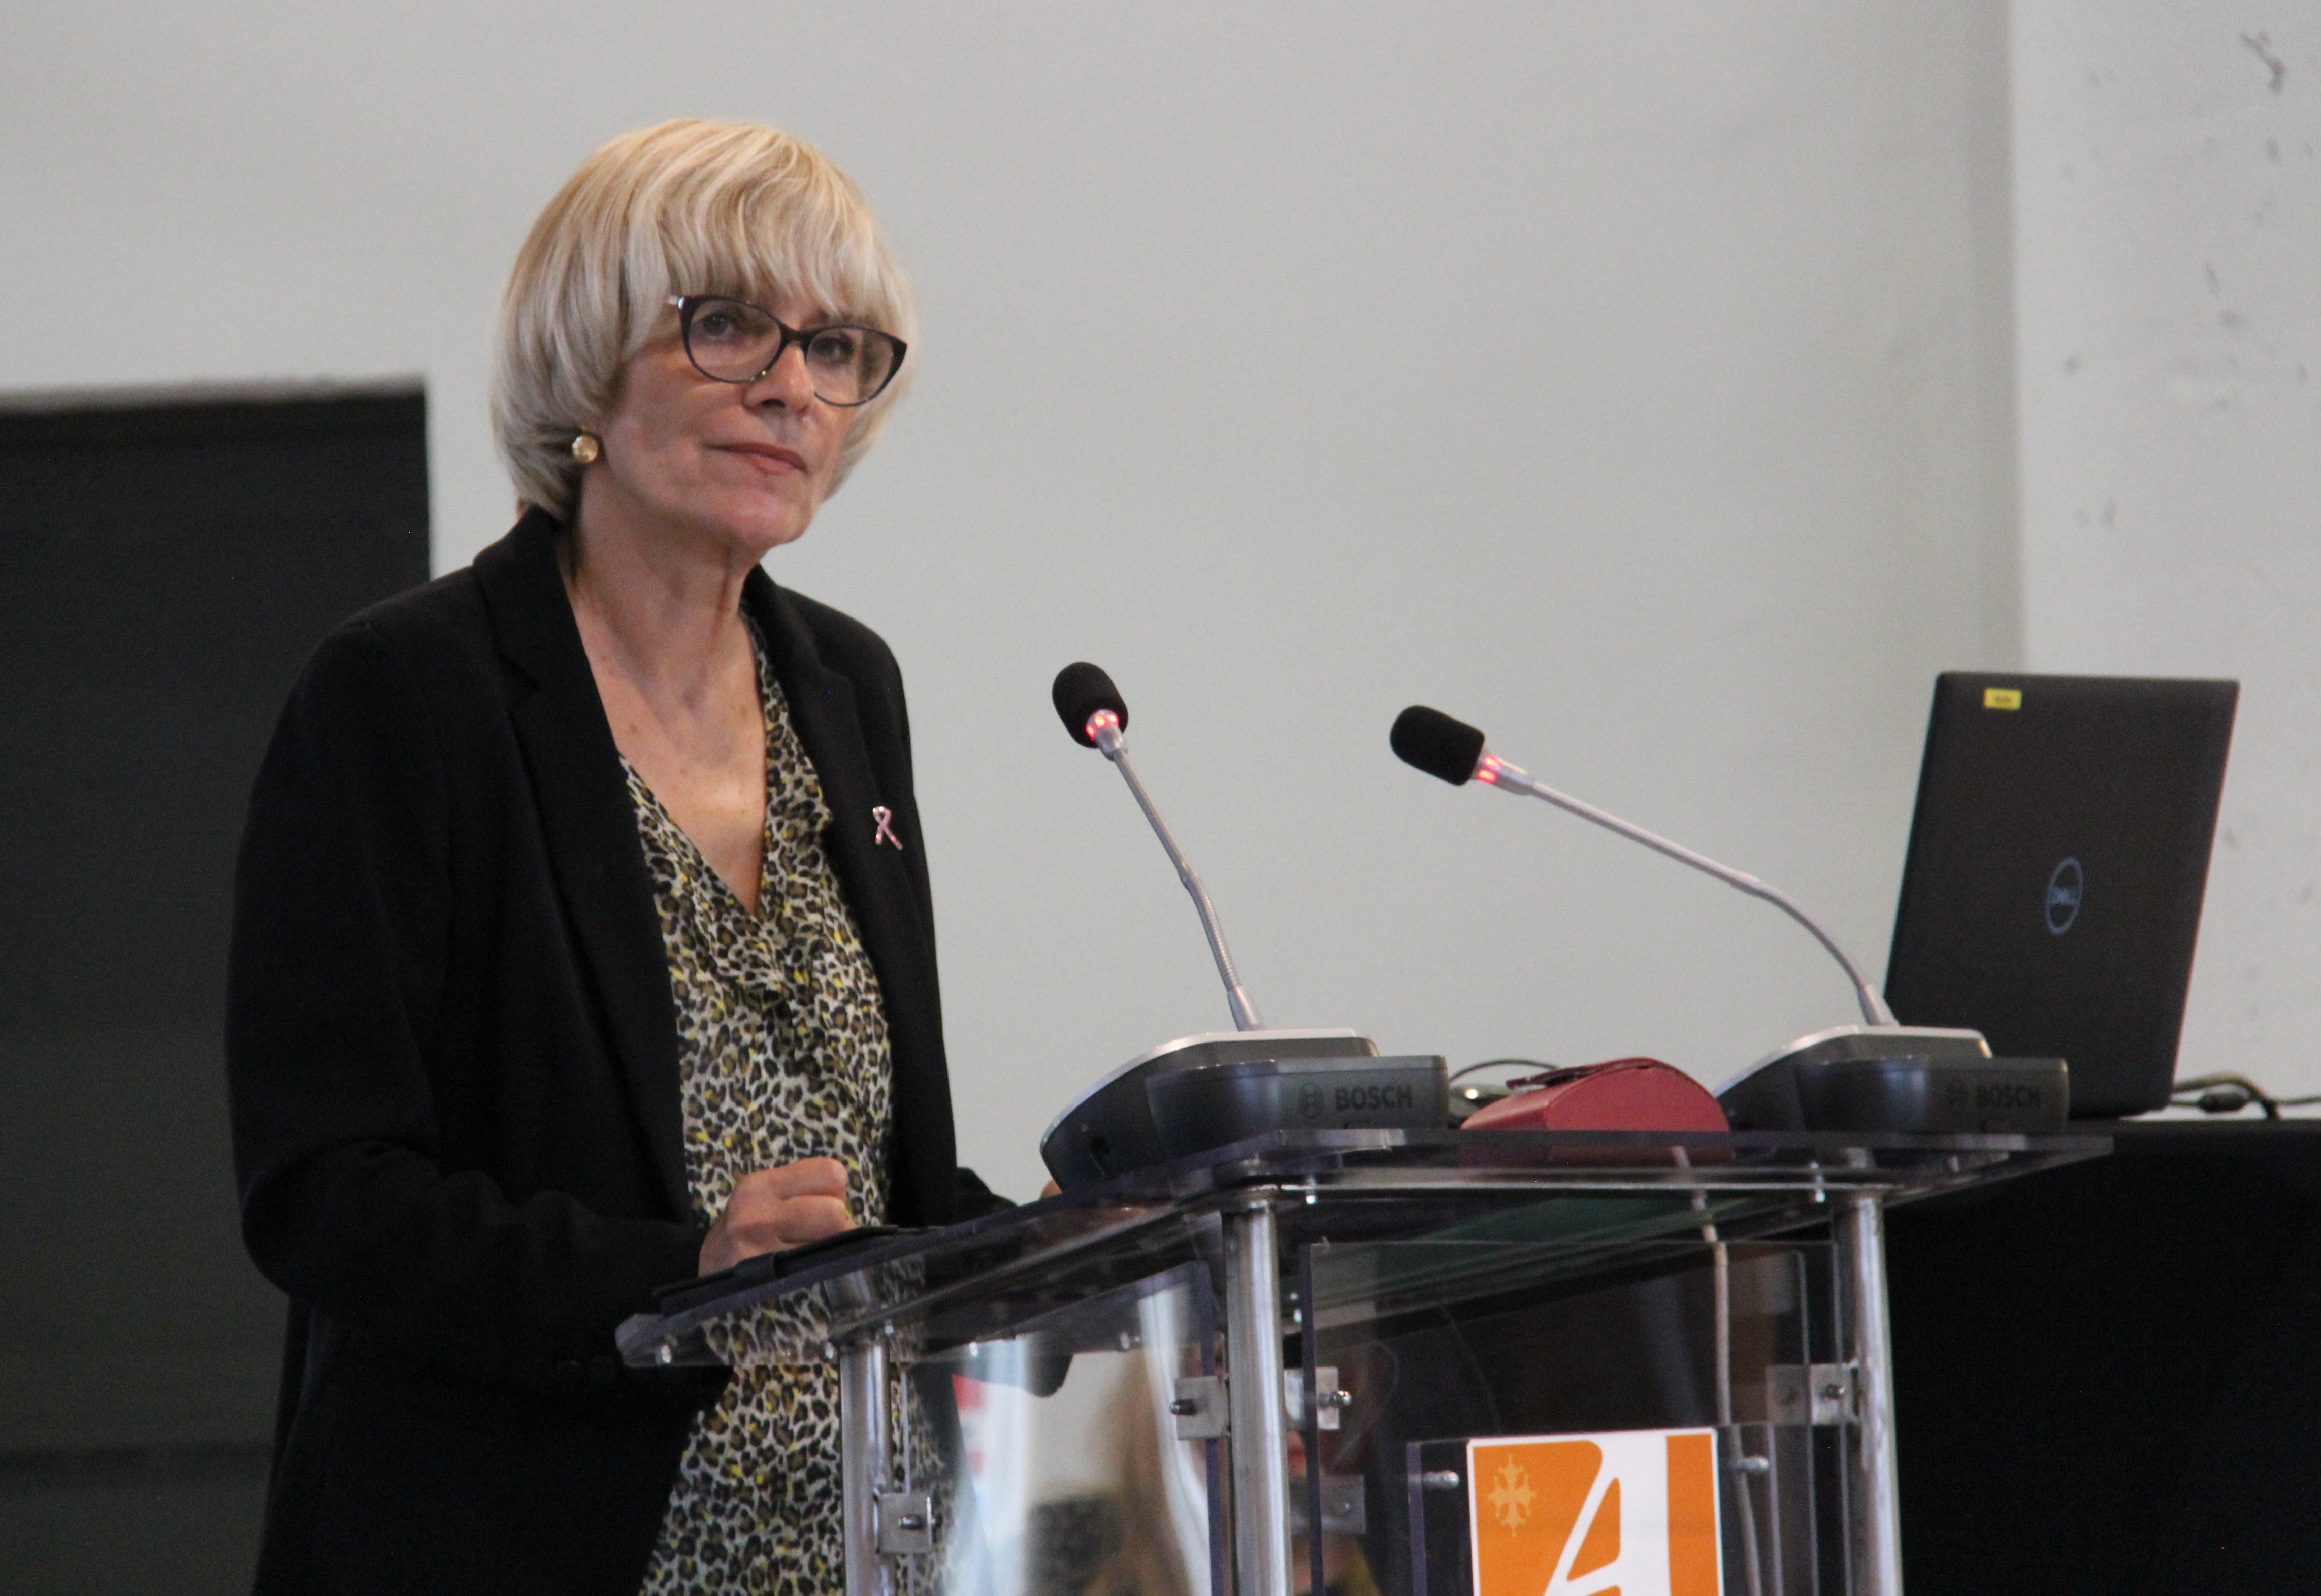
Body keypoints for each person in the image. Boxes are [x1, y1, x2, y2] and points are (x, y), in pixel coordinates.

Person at [227, 118, 1003, 1595]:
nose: (791, 386)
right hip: (527, 1539)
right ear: (588, 361)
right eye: (731, 327)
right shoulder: (411, 692)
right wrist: (677, 1277)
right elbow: (324, 1192)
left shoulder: (846, 687)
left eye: (836, 348)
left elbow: (869, 1147)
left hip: (866, 1544)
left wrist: (1095, 1231)